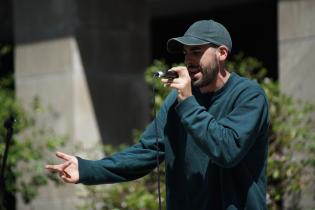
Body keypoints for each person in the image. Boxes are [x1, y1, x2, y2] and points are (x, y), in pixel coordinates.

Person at [45, 19, 269, 210]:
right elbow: (145, 153)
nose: (189, 60)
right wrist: (87, 169)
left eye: (196, 51)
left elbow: (227, 150)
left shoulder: (248, 96)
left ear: (221, 53)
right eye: (185, 53)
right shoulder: (177, 101)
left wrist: (188, 102)